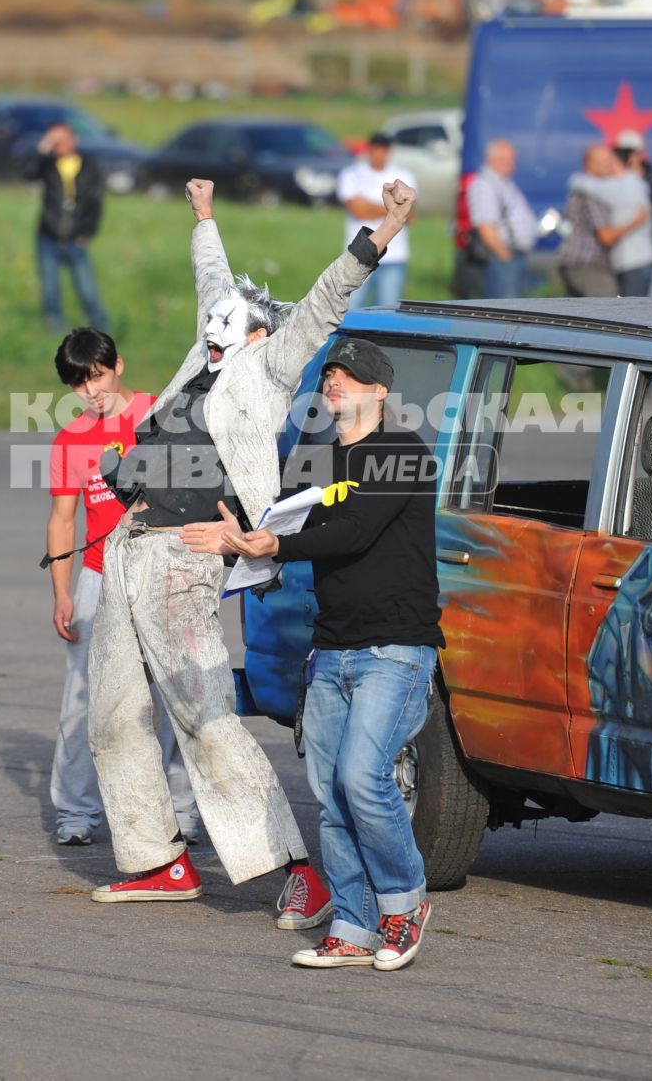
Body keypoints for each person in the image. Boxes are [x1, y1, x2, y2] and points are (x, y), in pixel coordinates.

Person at [83, 176, 412, 932]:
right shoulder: (200, 356)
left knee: (203, 715)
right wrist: (203, 217)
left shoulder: (265, 371)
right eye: (214, 318)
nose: (214, 320)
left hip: (186, 551)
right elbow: (213, 283)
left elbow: (326, 299)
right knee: (114, 716)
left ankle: (296, 872)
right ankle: (156, 860)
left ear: (260, 331)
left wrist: (383, 230)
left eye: (230, 316)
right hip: (127, 545)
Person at [182, 337, 444, 972]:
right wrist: (240, 537)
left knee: (363, 777)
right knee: (331, 792)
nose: (335, 384)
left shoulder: (403, 452)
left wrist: (273, 545)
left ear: (380, 391)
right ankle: (353, 927)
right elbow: (276, 514)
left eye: (350, 377)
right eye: (330, 374)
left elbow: (351, 530)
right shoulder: (321, 456)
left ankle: (404, 904)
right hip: (332, 649)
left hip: (395, 648)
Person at [43, 327, 199, 847]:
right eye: (79, 384)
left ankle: (178, 808)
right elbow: (62, 519)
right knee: (84, 697)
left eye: (99, 376)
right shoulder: (71, 441)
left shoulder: (164, 418)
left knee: (175, 696)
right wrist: (62, 592)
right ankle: (76, 810)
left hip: (160, 576)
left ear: (119, 367)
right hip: (97, 577)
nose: (92, 391)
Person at [28, 121, 111, 333]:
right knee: (50, 288)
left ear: (74, 140)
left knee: (87, 288)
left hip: (76, 238)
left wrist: (87, 232)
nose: (58, 145)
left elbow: (96, 203)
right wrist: (42, 149)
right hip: (49, 236)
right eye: (54, 141)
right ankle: (53, 331)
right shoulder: (47, 165)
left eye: (61, 139)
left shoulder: (88, 167)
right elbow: (27, 174)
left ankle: (102, 329)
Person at [554, 144, 645, 298]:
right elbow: (606, 236)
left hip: (574, 263)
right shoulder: (591, 193)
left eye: (610, 160)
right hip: (586, 265)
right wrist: (636, 221)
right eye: (604, 161)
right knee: (608, 309)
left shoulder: (584, 186)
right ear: (589, 163)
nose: (609, 165)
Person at [337, 133, 414, 309]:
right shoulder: (352, 174)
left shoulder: (402, 177)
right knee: (348, 310)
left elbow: (410, 215)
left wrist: (368, 205)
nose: (379, 154)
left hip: (393, 255)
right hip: (359, 254)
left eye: (383, 150)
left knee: (387, 312)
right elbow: (358, 210)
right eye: (375, 150)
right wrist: (392, 208)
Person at [465, 139, 544, 300]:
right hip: (501, 257)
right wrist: (504, 255)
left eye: (513, 160)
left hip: (512, 255)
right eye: (506, 160)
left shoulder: (503, 183)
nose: (511, 165)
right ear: (492, 159)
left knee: (515, 307)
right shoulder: (485, 185)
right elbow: (485, 225)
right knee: (505, 309)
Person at [613, 130, 652, 295]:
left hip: (649, 257)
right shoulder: (611, 181)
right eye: (623, 152)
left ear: (641, 154)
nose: (629, 157)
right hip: (618, 258)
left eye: (631, 152)